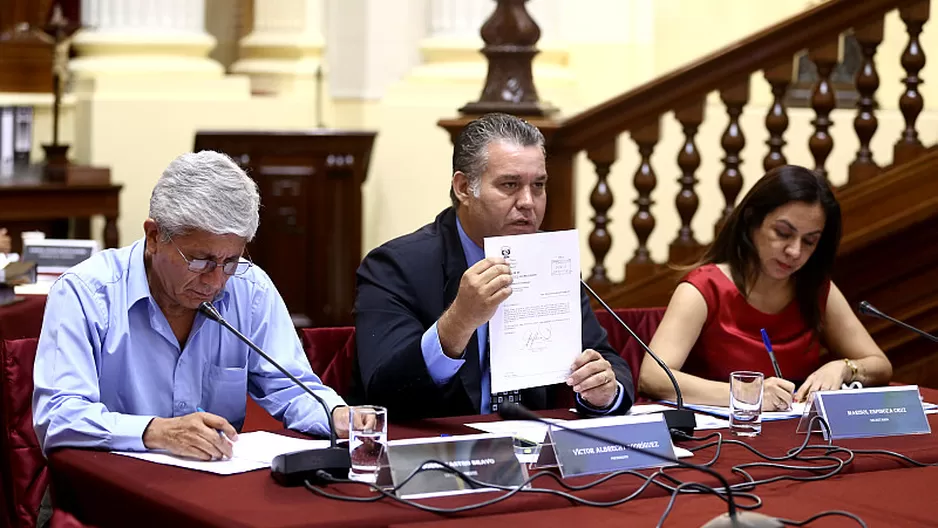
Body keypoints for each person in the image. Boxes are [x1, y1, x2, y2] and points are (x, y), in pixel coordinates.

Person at [33, 151, 351, 461]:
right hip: (105, 495)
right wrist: (155, 433)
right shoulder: (86, 292)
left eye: (230, 261)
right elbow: (58, 416)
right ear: (154, 236)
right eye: (201, 260)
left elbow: (291, 386)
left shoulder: (249, 289)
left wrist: (339, 416)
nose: (215, 282)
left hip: (208, 489)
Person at [353, 112, 634, 420]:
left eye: (538, 185)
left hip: (532, 447)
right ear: (463, 188)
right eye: (510, 185)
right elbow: (383, 390)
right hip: (439, 449)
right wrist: (458, 322)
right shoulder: (396, 266)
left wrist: (605, 392)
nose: (528, 201)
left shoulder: (549, 258)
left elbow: (604, 359)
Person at [638, 165, 892, 411]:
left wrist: (844, 368)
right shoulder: (705, 287)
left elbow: (880, 365)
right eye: (782, 233)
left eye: (810, 241)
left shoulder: (815, 288)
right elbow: (653, 377)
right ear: (752, 220)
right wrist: (748, 393)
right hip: (724, 437)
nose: (794, 251)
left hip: (798, 435)